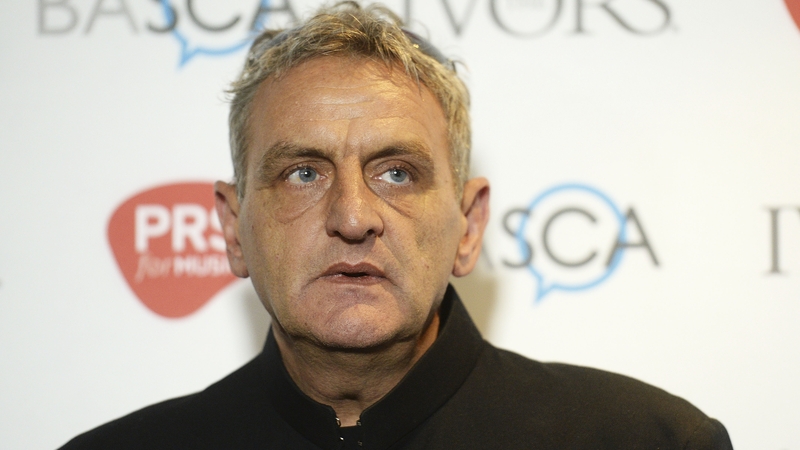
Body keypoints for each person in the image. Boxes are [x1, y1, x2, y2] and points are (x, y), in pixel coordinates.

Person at [60, 2, 733, 449]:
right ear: (233, 229)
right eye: (303, 173)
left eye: (398, 173)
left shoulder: (651, 442)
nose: (352, 218)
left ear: (469, 227)